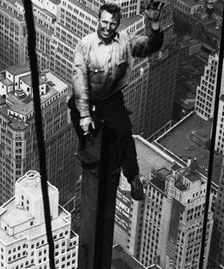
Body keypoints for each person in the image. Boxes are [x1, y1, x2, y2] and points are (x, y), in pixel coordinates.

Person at [69, 1, 165, 201]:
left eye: (112, 24)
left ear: (118, 24)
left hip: (111, 99)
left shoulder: (126, 43)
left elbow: (151, 46)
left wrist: (154, 23)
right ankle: (84, 148)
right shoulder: (85, 45)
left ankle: (133, 178)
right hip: (87, 96)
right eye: (104, 22)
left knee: (124, 132)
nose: (107, 28)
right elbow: (80, 83)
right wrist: (85, 114)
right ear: (98, 21)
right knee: (78, 117)